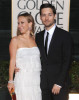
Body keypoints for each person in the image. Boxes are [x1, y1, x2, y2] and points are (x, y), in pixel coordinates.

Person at [35, 3, 72, 100]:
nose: (46, 18)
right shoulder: (38, 36)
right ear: (40, 17)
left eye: (49, 15)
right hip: (43, 85)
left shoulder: (65, 36)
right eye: (44, 15)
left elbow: (67, 61)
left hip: (59, 85)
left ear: (55, 16)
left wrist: (59, 83)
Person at [7, 12, 42, 100]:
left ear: (30, 23)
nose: (19, 25)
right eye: (18, 23)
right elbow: (12, 61)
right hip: (22, 79)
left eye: (22, 22)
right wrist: (10, 81)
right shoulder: (15, 40)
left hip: (36, 80)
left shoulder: (36, 39)